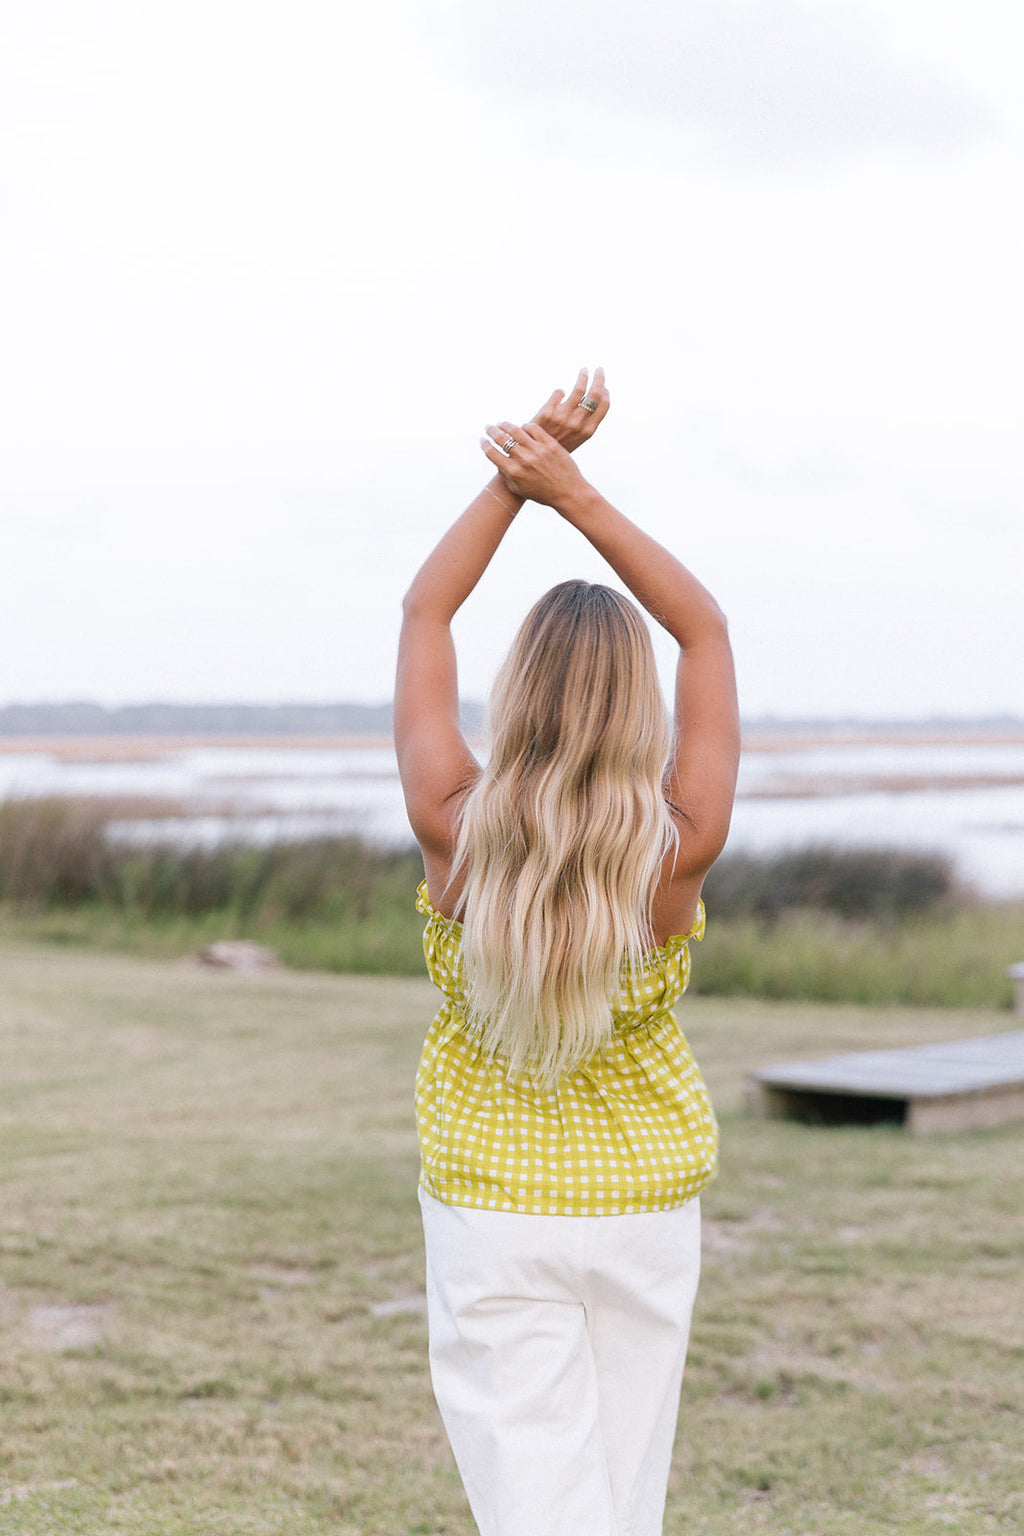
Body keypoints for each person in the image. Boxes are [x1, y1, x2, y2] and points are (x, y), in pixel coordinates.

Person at [394, 369, 739, 1536]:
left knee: (540, 1505)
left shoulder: (455, 825)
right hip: (643, 1206)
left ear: (519, 697)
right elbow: (701, 627)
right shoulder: (676, 847)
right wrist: (572, 492)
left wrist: (512, 484)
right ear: (633, 708)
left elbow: (423, 615)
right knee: (618, 1499)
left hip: (493, 1205)